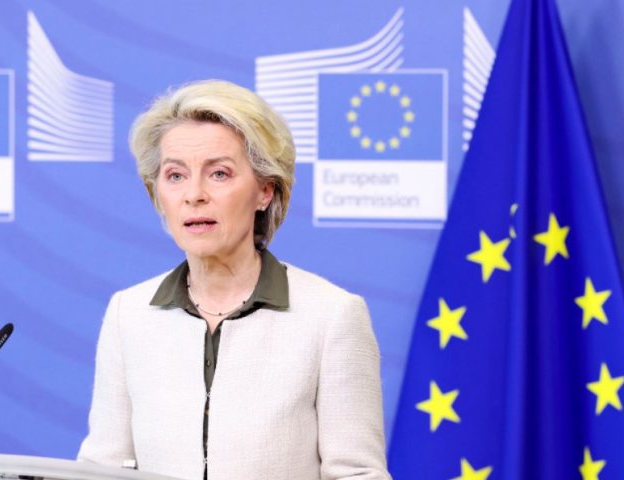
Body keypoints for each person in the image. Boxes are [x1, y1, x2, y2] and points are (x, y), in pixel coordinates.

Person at [78, 79, 391, 480]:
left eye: (219, 173)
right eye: (175, 175)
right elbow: (102, 467)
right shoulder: (129, 313)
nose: (194, 194)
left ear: (265, 191)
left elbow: (357, 475)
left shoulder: (332, 315)